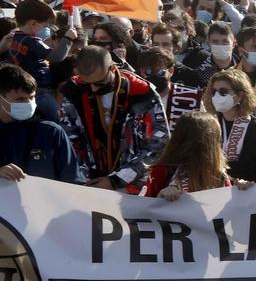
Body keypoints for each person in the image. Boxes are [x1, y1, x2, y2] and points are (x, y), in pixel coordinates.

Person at [59, 45, 169, 192]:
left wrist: (118, 179)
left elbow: (160, 142)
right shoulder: (72, 90)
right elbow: (69, 137)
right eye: (87, 83)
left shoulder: (142, 92)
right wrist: (83, 177)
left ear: (112, 68)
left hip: (129, 184)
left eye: (99, 83)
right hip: (86, 183)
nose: (93, 89)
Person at [0, 64, 80, 182]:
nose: (28, 103)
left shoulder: (51, 132)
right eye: (20, 99)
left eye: (31, 98)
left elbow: (73, 181)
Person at [141, 112, 236, 200]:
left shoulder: (219, 174)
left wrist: (242, 189)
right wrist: (160, 196)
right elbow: (142, 211)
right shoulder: (163, 170)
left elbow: (230, 208)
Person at [202, 68, 256, 182]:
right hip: (212, 189)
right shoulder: (209, 124)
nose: (217, 96)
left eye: (223, 92)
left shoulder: (254, 127)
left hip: (243, 191)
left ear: (240, 95)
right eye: (214, 92)